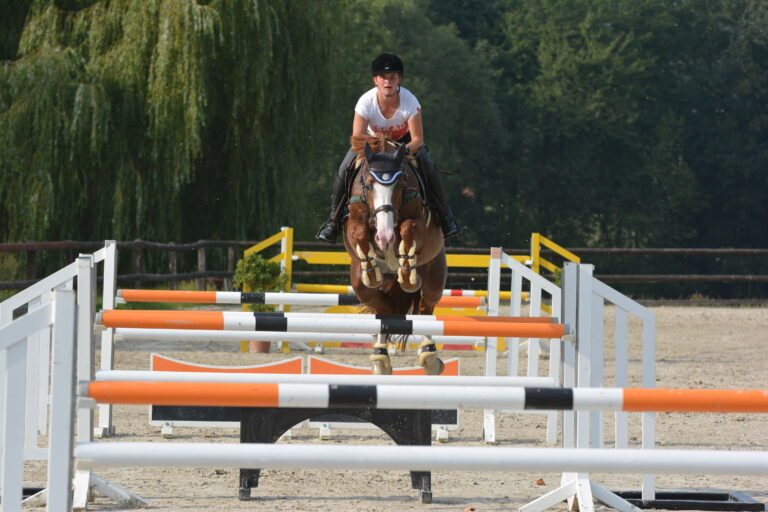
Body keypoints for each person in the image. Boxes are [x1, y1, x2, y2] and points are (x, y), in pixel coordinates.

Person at [316, 52, 460, 243]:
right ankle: (332, 221)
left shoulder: (410, 102)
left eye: (393, 77)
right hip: (371, 144)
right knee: (344, 168)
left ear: (399, 79)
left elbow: (418, 140)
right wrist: (376, 146)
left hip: (404, 144)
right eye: (383, 77)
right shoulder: (365, 102)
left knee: (429, 165)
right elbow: (357, 138)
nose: (388, 82)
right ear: (375, 80)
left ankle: (445, 216)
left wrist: (403, 153)